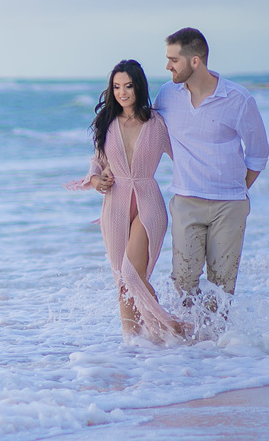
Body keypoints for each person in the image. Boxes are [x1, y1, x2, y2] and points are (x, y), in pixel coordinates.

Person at [67, 59, 185, 341]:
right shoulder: (106, 122)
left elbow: (185, 156)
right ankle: (133, 346)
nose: (122, 93)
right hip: (115, 203)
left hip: (148, 200)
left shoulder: (157, 124)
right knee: (122, 281)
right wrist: (95, 179)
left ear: (139, 87)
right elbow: (98, 160)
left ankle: (174, 329)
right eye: (117, 87)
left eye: (128, 86)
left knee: (132, 275)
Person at [154, 28, 268, 302]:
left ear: (195, 61)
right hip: (186, 200)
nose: (167, 65)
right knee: (182, 280)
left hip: (229, 205)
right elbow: (150, 134)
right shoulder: (167, 95)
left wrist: (235, 189)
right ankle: (190, 343)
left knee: (222, 286)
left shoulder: (238, 99)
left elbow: (258, 153)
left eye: (174, 59)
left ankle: (219, 344)